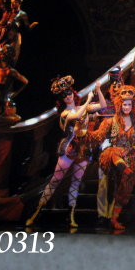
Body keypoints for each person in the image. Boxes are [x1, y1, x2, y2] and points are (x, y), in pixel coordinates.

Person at [26, 77, 106, 228]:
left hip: (84, 149)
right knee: (55, 180)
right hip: (69, 148)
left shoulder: (83, 108)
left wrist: (98, 90)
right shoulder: (64, 113)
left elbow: (103, 105)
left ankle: (71, 216)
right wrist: (89, 99)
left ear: (73, 93)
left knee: (76, 182)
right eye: (64, 95)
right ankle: (35, 213)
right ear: (61, 99)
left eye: (69, 93)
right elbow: (76, 116)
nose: (67, 96)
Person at [88, 85, 135, 230]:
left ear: (133, 105)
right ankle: (103, 216)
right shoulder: (110, 121)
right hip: (112, 157)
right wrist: (86, 130)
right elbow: (97, 136)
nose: (126, 107)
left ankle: (113, 218)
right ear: (119, 104)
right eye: (124, 104)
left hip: (129, 157)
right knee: (105, 186)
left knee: (124, 189)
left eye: (129, 104)